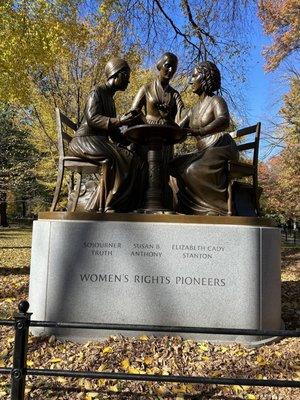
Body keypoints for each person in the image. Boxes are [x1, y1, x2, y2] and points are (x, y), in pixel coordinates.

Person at [68, 57, 142, 212]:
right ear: (116, 74)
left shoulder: (111, 100)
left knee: (131, 157)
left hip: (100, 142)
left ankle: (117, 202)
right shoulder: (97, 91)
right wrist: (120, 120)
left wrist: (128, 134)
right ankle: (105, 204)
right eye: (126, 76)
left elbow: (113, 133)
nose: (128, 81)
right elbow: (93, 118)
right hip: (84, 140)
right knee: (112, 159)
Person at [170, 61, 239, 215]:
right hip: (205, 151)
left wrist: (201, 131)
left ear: (206, 77)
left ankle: (218, 208)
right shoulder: (192, 110)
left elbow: (224, 120)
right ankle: (187, 207)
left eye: (194, 76)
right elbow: (177, 128)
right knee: (172, 166)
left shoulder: (216, 100)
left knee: (192, 169)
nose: (190, 80)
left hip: (221, 146)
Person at [129, 52, 184, 207]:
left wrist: (171, 118)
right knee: (143, 169)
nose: (171, 70)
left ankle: (162, 203)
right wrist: (147, 120)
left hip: (165, 139)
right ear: (159, 66)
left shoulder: (175, 94)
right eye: (168, 66)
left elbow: (181, 115)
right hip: (146, 137)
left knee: (164, 171)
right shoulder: (146, 88)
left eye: (174, 67)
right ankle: (140, 203)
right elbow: (133, 111)